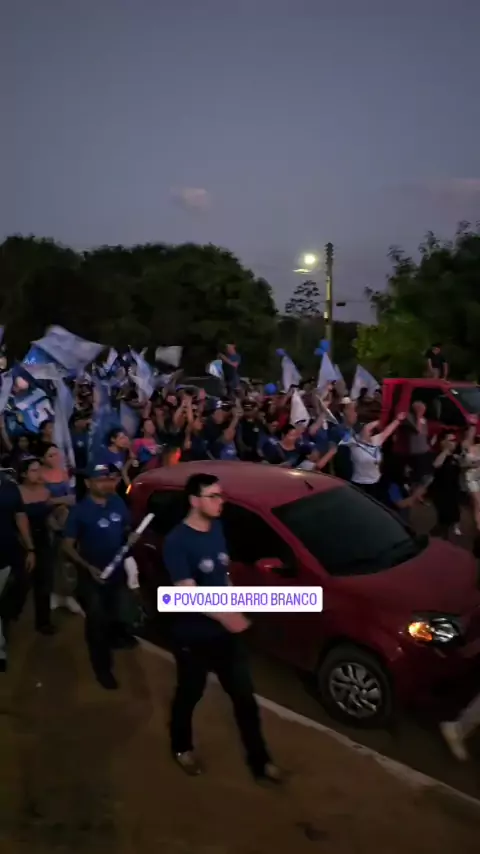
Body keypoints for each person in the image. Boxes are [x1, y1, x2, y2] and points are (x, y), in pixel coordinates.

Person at [162, 472, 281, 783]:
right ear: (194, 500)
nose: (220, 501)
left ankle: (260, 761)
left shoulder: (217, 529)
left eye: (221, 495)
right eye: (213, 496)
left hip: (224, 639)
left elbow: (222, 574)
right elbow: (188, 594)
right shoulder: (177, 542)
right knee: (190, 693)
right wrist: (227, 616)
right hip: (193, 637)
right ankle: (181, 747)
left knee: (244, 698)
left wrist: (233, 601)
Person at [63, 463, 137, 689]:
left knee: (115, 611)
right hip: (92, 577)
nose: (107, 484)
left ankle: (115, 638)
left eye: (110, 479)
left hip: (116, 573)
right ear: (88, 483)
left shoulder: (117, 502)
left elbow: (125, 528)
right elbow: (67, 546)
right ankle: (102, 668)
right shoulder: (80, 511)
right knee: (96, 623)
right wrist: (87, 567)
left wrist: (130, 537)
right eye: (101, 480)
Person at [0, 466, 35, 671]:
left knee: (12, 596)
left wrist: (30, 548)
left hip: (6, 555)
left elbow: (20, 516)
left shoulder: (9, 486)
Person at [18, 457, 57, 634]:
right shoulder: (17, 493)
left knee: (44, 582)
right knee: (21, 584)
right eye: (34, 470)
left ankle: (43, 622)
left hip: (42, 540)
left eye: (39, 469)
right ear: (23, 474)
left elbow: (49, 518)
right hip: (21, 541)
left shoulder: (45, 491)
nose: (38, 473)